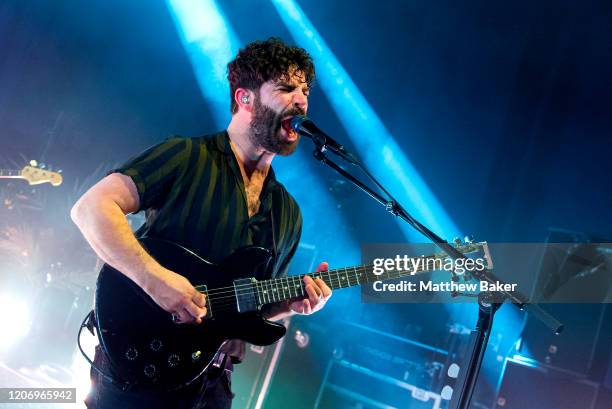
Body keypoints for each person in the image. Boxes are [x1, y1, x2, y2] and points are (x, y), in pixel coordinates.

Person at [71, 37, 332, 409]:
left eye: (305, 90)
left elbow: (249, 307)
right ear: (245, 99)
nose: (302, 100)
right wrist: (156, 281)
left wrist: (290, 303)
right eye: (287, 87)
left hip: (213, 384)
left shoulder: (287, 213)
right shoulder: (187, 156)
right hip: (138, 364)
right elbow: (91, 208)